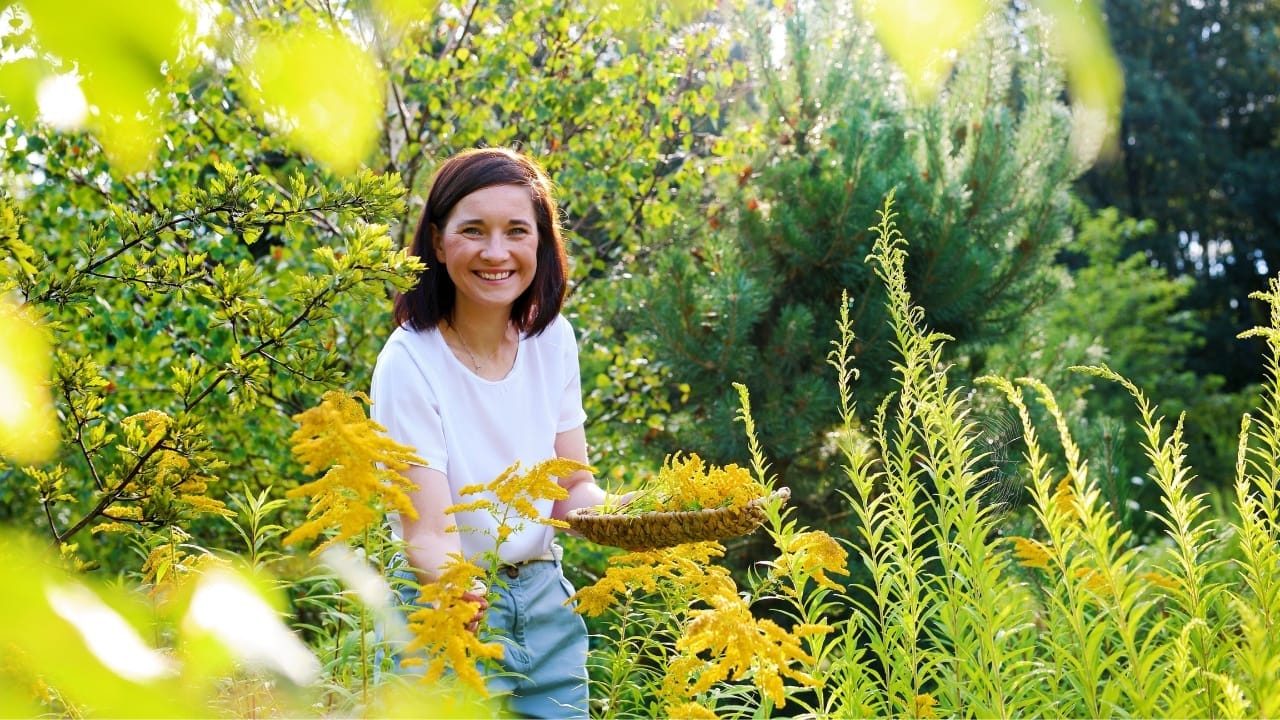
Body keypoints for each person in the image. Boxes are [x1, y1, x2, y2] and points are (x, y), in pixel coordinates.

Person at [369, 147, 615, 719]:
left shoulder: (552, 340)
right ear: (437, 240)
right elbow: (427, 532)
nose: (496, 252)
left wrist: (632, 516)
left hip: (546, 600)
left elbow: (571, 487)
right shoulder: (408, 362)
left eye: (516, 231)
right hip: (445, 608)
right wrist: (462, 591)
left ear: (541, 243)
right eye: (473, 230)